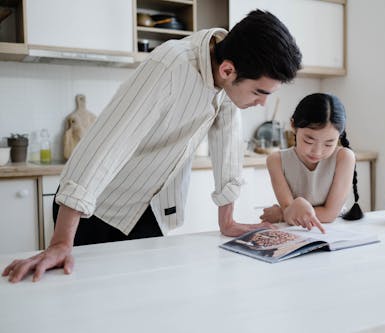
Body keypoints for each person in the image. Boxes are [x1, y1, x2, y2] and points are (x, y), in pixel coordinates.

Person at [3, 10, 302, 283]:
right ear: (227, 70)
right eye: (260, 92)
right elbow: (106, 144)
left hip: (151, 212)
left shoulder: (230, 73)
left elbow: (227, 145)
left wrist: (228, 220)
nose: (263, 102)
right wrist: (60, 243)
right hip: (96, 213)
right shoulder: (170, 67)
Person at [260, 93, 364, 232]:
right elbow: (290, 211)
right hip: (296, 232)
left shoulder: (344, 157)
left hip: (335, 230)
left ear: (339, 136)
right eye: (308, 141)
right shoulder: (276, 161)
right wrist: (288, 213)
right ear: (293, 125)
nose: (317, 151)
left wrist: (281, 214)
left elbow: (330, 214)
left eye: (329, 144)